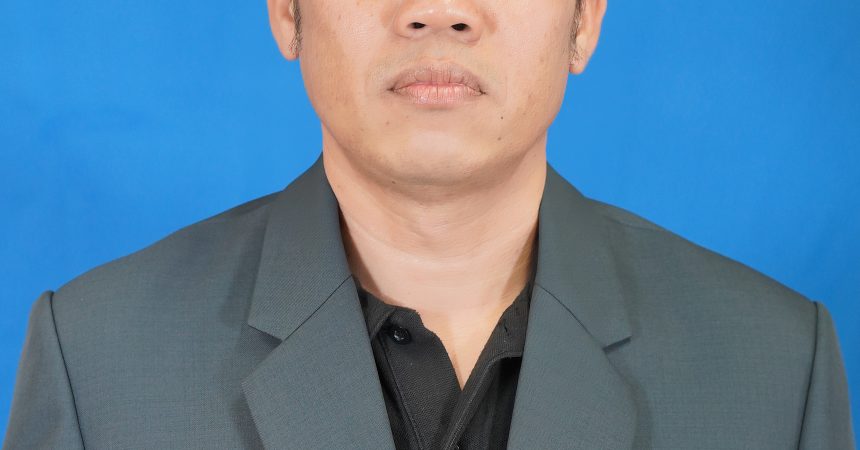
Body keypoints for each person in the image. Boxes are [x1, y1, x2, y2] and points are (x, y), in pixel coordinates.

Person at [3, 0, 855, 448]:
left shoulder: (778, 369)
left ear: (585, 19)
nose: (440, 11)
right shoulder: (99, 365)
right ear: (287, 11)